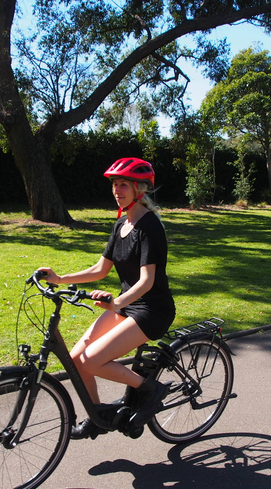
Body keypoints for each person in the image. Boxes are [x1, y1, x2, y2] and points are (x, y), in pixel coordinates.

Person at [38, 157, 176, 440]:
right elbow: (100, 269)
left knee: (91, 360)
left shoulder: (150, 227)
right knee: (77, 359)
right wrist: (59, 278)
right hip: (127, 305)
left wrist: (117, 304)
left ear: (140, 189)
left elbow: (147, 282)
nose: (117, 190)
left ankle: (149, 388)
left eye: (123, 184)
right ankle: (99, 416)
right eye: (114, 184)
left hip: (152, 310)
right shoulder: (121, 225)